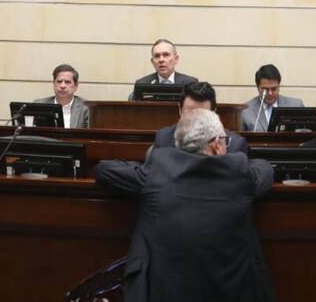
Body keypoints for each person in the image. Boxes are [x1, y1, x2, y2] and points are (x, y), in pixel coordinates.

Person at [95, 108, 276, 302]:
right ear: (216, 144)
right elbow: (265, 169)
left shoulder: (158, 167)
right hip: (230, 292)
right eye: (225, 140)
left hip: (163, 293)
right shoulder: (238, 170)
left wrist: (140, 169)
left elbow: (104, 170)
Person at [153, 81, 247, 153]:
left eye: (203, 114)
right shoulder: (164, 138)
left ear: (214, 112)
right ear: (180, 110)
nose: (196, 120)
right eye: (190, 113)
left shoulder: (233, 144)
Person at [241, 64, 303, 132]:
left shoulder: (295, 105)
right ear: (258, 87)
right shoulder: (245, 110)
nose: (270, 93)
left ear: (279, 86)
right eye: (265, 89)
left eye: (274, 89)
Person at [130, 39, 197, 99]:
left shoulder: (190, 84)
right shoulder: (142, 84)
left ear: (176, 59)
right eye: (157, 56)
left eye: (166, 55)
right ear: (152, 62)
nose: (161, 60)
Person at [33, 63, 90, 128]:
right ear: (54, 84)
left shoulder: (86, 108)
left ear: (76, 86)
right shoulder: (40, 105)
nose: (62, 86)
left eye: (67, 82)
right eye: (59, 81)